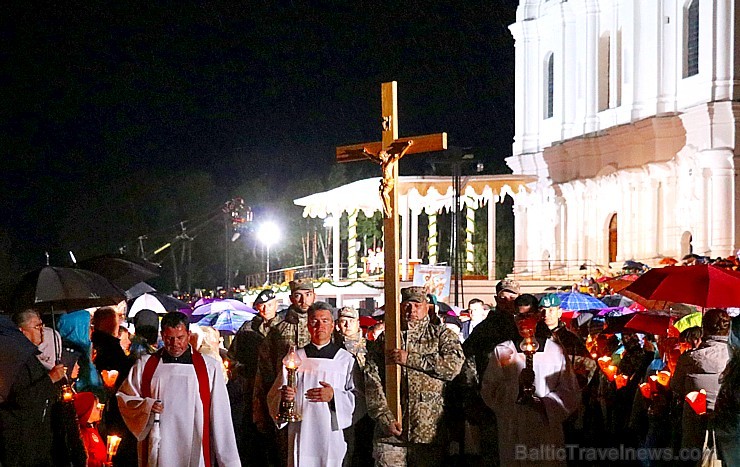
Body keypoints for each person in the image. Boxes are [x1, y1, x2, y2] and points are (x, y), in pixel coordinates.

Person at [117, 312, 240, 466]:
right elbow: (125, 398)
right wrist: (147, 405)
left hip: (196, 442)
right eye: (169, 338)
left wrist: (229, 462)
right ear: (162, 335)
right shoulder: (145, 365)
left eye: (180, 338)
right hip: (159, 445)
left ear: (188, 335)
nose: (175, 343)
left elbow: (221, 416)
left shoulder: (209, 367)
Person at [364, 286, 464, 466]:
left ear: (427, 307)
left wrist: (410, 358)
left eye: (417, 305)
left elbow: (453, 367)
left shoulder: (441, 336)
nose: (412, 310)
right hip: (391, 433)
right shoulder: (388, 338)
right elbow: (372, 379)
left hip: (428, 432)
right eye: (407, 305)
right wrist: (384, 416)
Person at [480, 293, 580, 466]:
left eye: (528, 316)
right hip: (514, 428)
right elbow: (489, 391)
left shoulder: (554, 351)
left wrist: (544, 404)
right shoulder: (503, 351)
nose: (523, 322)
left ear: (537, 317)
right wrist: (517, 390)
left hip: (545, 428)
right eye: (519, 316)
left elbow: (570, 391)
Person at [268, 303, 361, 466]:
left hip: (331, 435)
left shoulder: (345, 360)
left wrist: (334, 397)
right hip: (301, 431)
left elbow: (359, 398)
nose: (320, 326)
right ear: (308, 326)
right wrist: (285, 398)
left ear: (333, 325)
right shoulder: (295, 359)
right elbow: (274, 396)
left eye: (325, 321)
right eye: (314, 321)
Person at [456, 279, 520, 465]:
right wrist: (473, 397)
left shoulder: (524, 327)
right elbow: (467, 361)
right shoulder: (485, 330)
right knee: (494, 454)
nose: (507, 302)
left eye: (512, 298)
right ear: (495, 299)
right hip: (491, 402)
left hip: (521, 404)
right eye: (503, 298)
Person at [253, 278, 315, 452]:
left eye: (308, 295)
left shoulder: (321, 327)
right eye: (298, 295)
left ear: (314, 296)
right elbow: (264, 372)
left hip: (313, 400)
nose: (303, 300)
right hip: (282, 402)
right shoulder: (278, 330)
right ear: (291, 298)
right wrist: (259, 410)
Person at [0, 309, 67, 467]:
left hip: (35, 437)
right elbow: (22, 398)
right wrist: (51, 378)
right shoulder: (15, 359)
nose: (42, 332)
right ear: (21, 330)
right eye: (37, 327)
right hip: (20, 439)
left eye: (42, 326)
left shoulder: (29, 357)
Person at [227, 288, 282, 466]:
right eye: (261, 305)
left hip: (278, 387)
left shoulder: (284, 328)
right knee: (252, 437)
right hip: (251, 390)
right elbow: (232, 356)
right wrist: (239, 370)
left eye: (269, 305)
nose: (265, 309)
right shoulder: (247, 329)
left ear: (276, 304)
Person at [671, 308, 731, 455]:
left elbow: (676, 387)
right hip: (727, 429)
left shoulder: (688, 358)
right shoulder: (734, 357)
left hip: (694, 428)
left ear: (704, 329)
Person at [333, 306, 372, 466]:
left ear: (357, 323)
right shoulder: (333, 348)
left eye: (351, 321)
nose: (347, 325)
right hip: (340, 405)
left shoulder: (369, 347)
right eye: (343, 321)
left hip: (366, 407)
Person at [73, 392, 107, 467]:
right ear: (88, 410)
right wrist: (102, 465)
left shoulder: (93, 429)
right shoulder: (82, 433)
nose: (99, 409)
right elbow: (83, 459)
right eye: (96, 407)